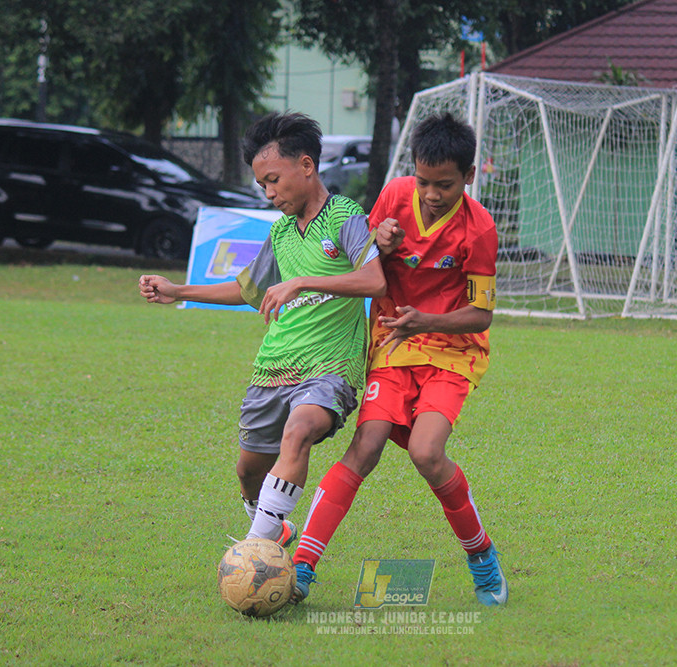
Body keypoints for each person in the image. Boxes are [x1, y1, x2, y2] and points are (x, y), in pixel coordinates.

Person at [139, 112, 385, 548]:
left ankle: (255, 551)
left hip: (331, 367)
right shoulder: (282, 234)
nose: (269, 194)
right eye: (262, 186)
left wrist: (303, 281)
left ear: (306, 166)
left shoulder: (345, 217)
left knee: (300, 431)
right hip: (275, 368)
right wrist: (178, 290)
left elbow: (374, 280)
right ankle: (274, 528)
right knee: (248, 471)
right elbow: (247, 290)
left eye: (274, 180)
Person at [291, 112, 507, 606]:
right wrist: (378, 243)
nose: (432, 194)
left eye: (445, 185)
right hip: (392, 341)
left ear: (468, 177)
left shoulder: (479, 230)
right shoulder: (393, 197)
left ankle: (481, 557)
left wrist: (426, 321)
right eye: (425, 181)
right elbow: (359, 261)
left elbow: (480, 317)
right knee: (366, 446)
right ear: (414, 169)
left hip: (451, 350)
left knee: (426, 453)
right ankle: (302, 565)